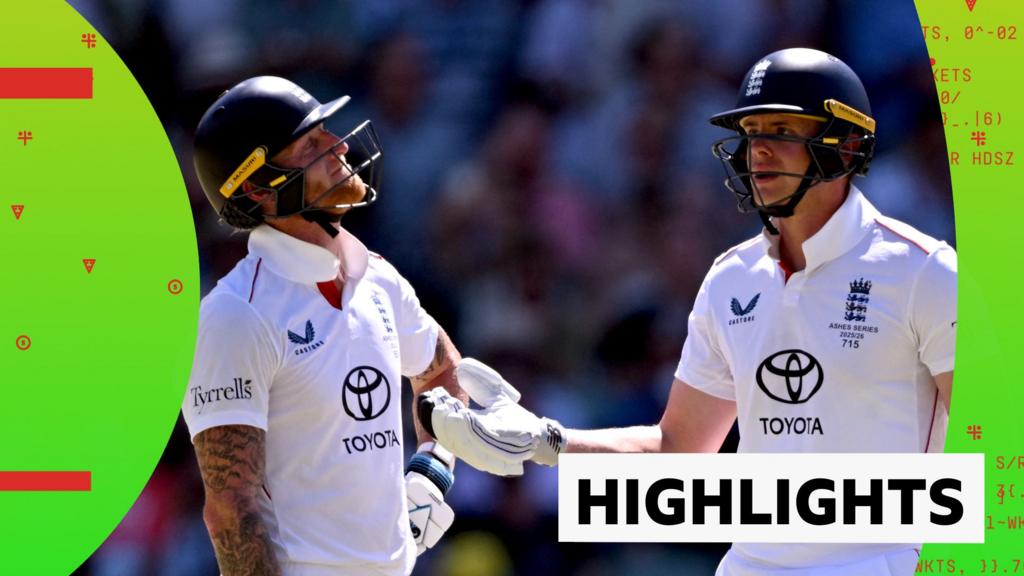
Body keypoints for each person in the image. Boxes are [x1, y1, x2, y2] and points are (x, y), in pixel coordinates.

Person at [420, 48, 957, 575]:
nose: (758, 152)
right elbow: (678, 449)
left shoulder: (924, 271)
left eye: (781, 131)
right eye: (751, 133)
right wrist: (546, 441)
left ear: (847, 147)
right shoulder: (731, 279)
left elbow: (992, 444)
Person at [185, 76, 469, 576]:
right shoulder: (235, 314)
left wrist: (432, 469)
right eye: (311, 146)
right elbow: (231, 512)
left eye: (327, 133)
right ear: (258, 189)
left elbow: (443, 371)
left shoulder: (377, 278)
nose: (339, 146)